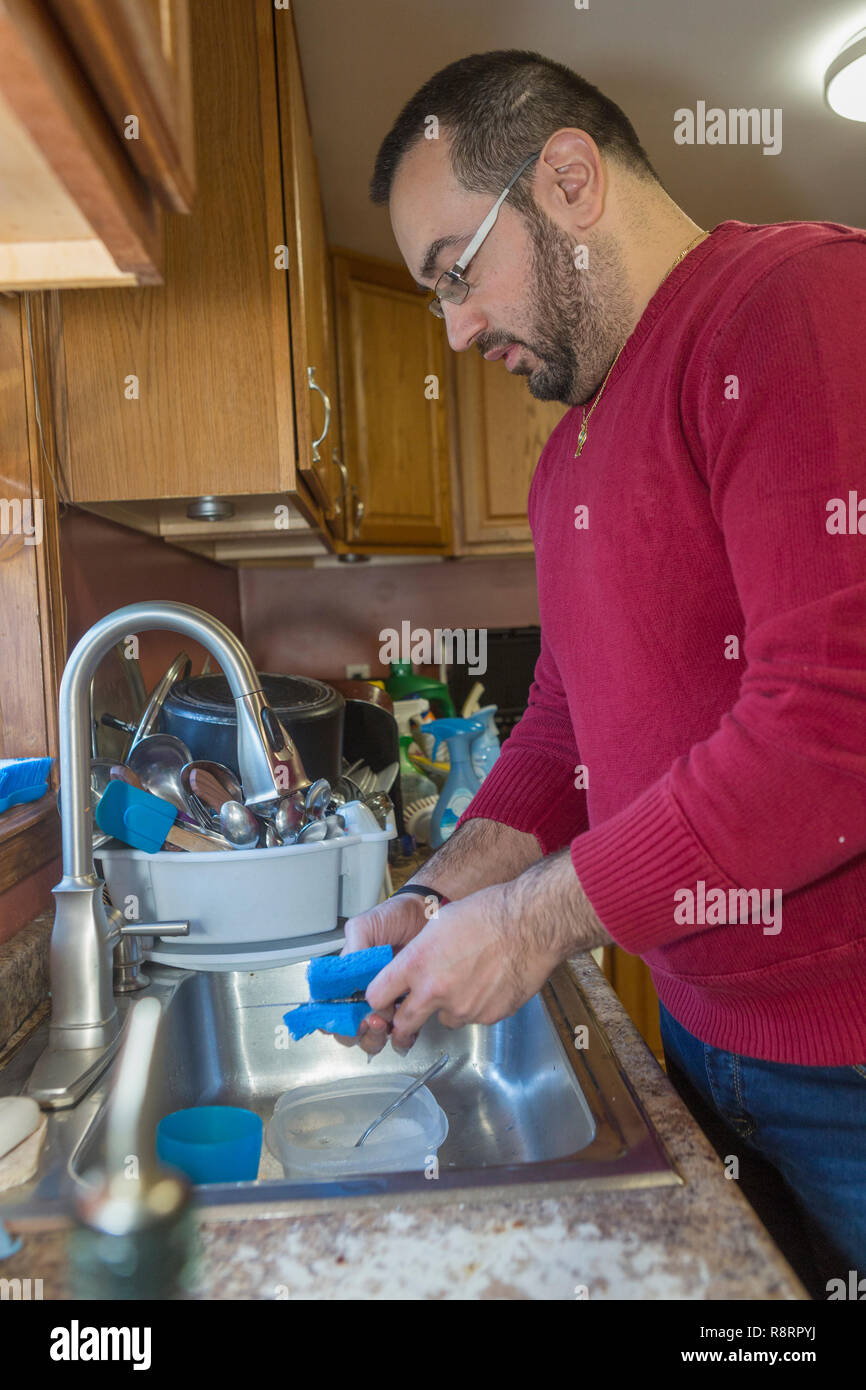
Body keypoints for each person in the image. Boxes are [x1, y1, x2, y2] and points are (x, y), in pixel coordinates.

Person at [337, 50, 866, 1286]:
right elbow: (562, 733)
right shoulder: (562, 459)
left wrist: (527, 926)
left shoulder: (794, 304)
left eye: (455, 274)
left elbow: (830, 731)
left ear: (566, 178)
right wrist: (437, 895)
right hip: (700, 1040)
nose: (457, 328)